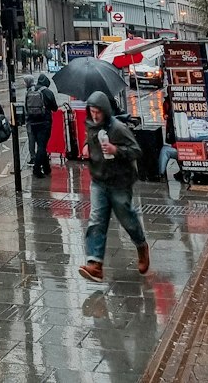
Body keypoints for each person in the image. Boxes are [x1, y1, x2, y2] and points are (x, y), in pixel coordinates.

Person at [78, 90, 149, 282]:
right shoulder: (92, 126)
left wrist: (115, 149)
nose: (95, 115)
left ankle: (141, 245)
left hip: (119, 182)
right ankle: (95, 264)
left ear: (105, 111)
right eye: (92, 111)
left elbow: (136, 150)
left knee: (127, 218)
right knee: (96, 220)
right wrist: (86, 145)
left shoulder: (118, 128)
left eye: (98, 111)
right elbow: (91, 140)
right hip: (99, 180)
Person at [27, 73, 58, 178]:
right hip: (44, 123)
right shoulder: (48, 92)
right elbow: (55, 108)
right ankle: (36, 169)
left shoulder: (31, 91)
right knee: (42, 146)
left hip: (32, 123)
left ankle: (46, 168)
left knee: (41, 145)